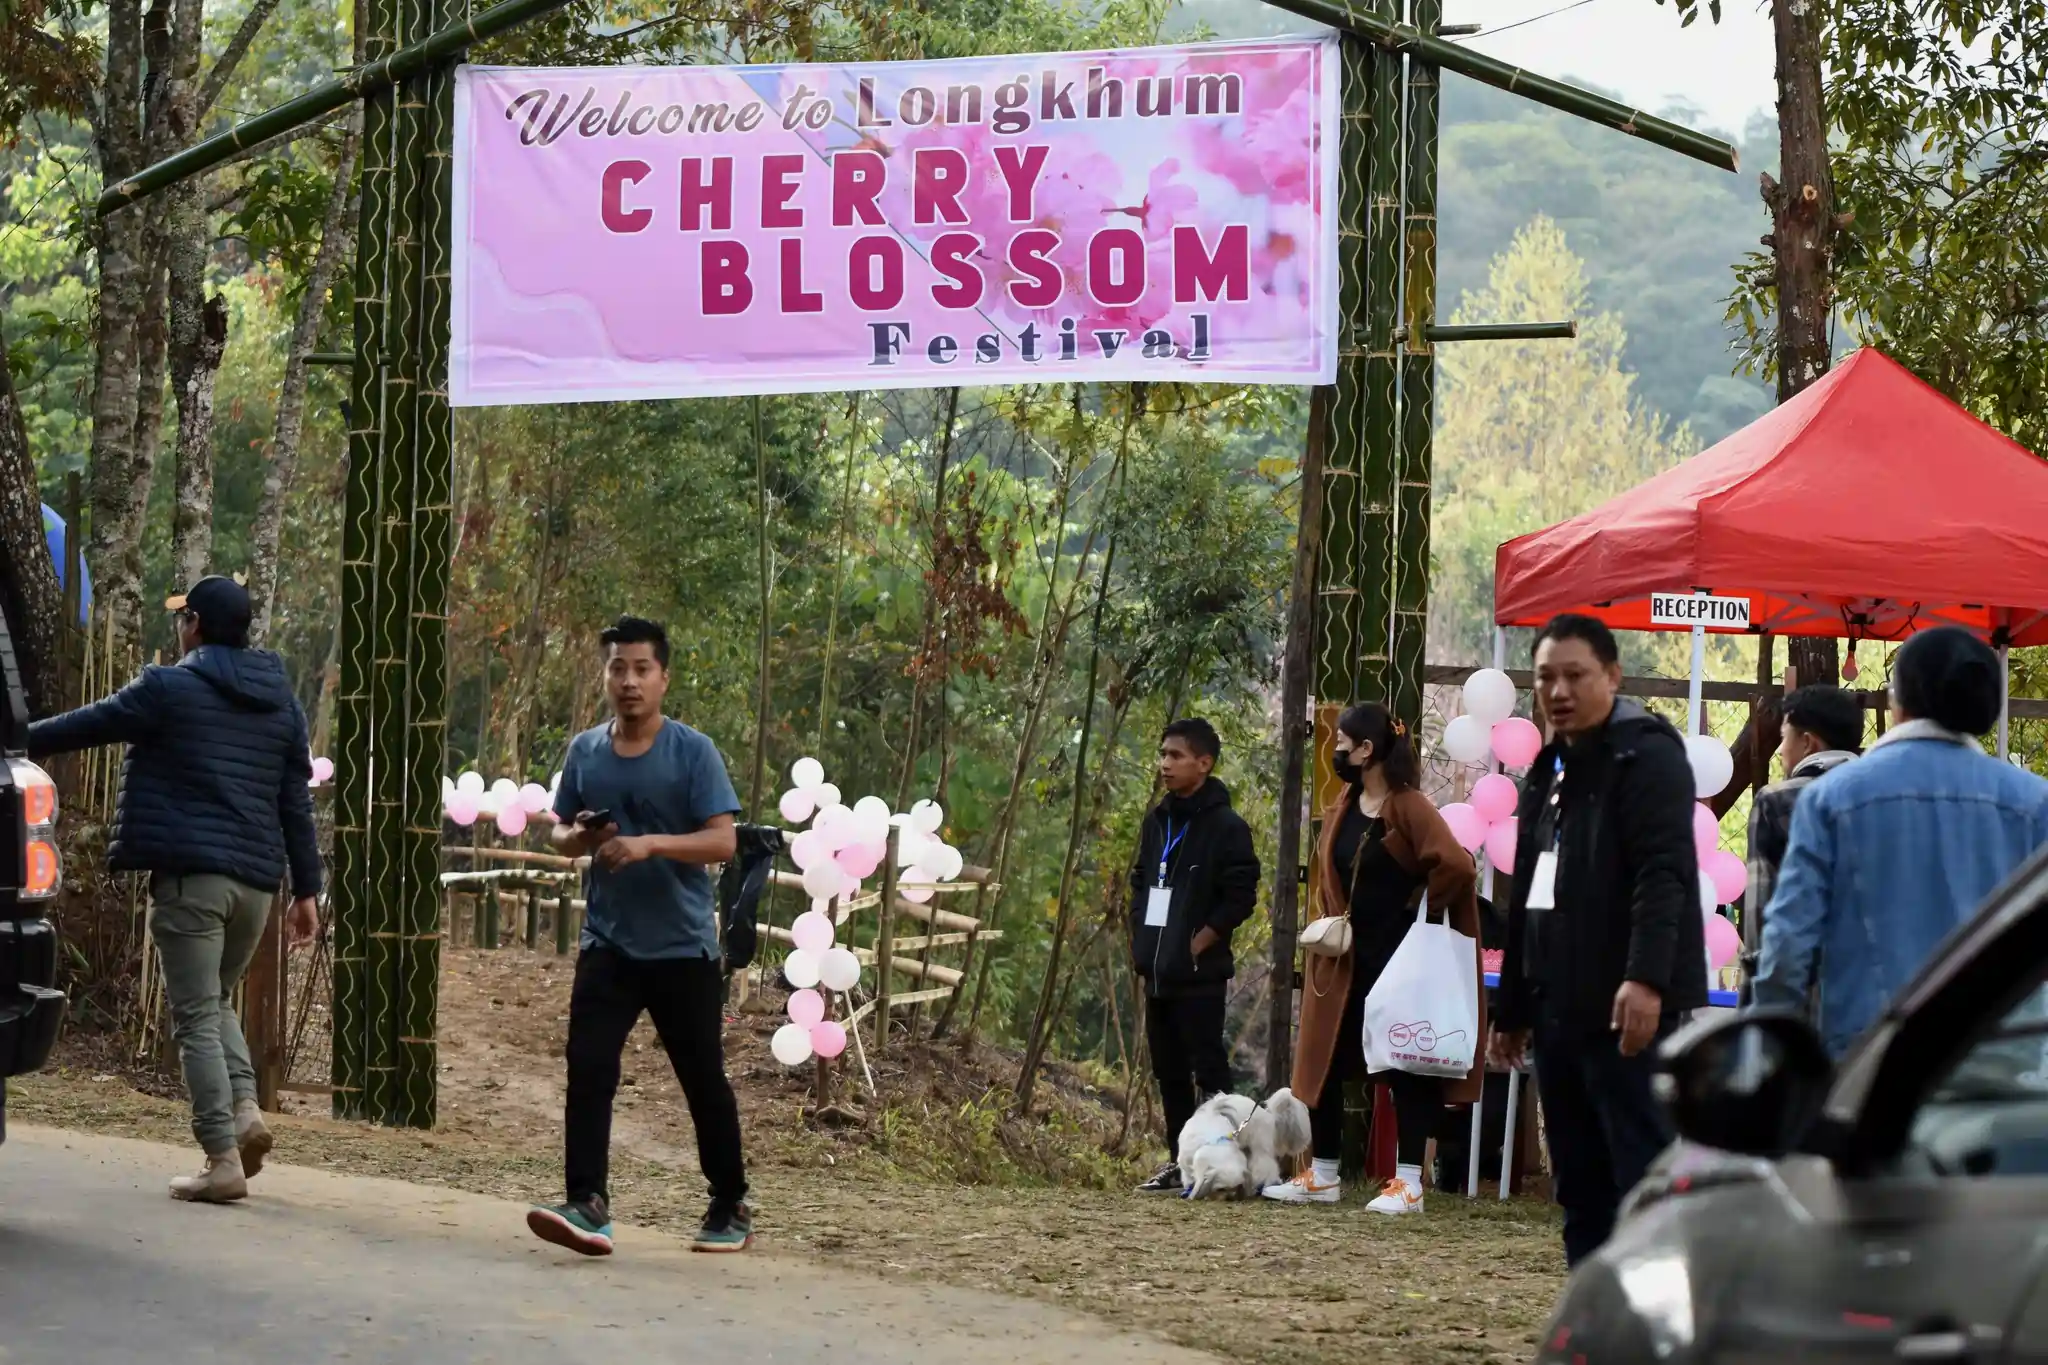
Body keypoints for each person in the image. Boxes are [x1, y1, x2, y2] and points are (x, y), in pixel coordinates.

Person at [29, 576, 321, 1203]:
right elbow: (294, 800)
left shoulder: (170, 688)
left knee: (192, 1014)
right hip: (257, 888)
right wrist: (307, 891)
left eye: (181, 618)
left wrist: (15, 738)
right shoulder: (282, 701)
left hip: (192, 882)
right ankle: (245, 1112)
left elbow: (88, 725)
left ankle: (220, 1158)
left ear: (194, 625)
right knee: (214, 1000)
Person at [527, 616, 752, 1255]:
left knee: (701, 1076)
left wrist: (650, 843)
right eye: (617, 668)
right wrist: (584, 838)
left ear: (663, 678)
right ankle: (587, 1202)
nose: (628, 681)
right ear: (605, 676)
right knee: (589, 1067)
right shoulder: (585, 752)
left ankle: (729, 1200)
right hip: (609, 942)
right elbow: (561, 831)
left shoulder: (693, 751)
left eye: (641, 669)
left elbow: (723, 838)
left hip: (681, 949)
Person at [1492, 614, 1705, 1267]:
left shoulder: (1645, 754)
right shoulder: (1552, 765)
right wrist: (1512, 1009)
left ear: (1612, 676)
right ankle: (1593, 1318)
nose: (1558, 690)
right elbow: (1529, 885)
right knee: (1579, 1183)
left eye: (1575, 675)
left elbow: (1663, 874)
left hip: (1627, 1010)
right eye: (1545, 678)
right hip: (1559, 1007)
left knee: (1640, 1177)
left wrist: (1646, 979)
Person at [1756, 627, 2048, 1056]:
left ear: (1899, 703)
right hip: (2001, 1064)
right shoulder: (2034, 803)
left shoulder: (1832, 800)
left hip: (1869, 1063)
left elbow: (1788, 945)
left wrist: (1767, 1050)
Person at [1262, 702, 1485, 1214]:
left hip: (1401, 959)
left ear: (1367, 750)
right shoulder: (1345, 801)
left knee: (1407, 1063)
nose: (1335, 751)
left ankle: (1409, 1183)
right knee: (1328, 1057)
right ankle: (1323, 1175)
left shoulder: (1409, 807)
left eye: (1342, 744)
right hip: (1345, 958)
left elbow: (1456, 866)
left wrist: (1416, 906)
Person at [1128, 717, 1261, 1194]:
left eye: (1176, 756)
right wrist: (1140, 938)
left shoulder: (1226, 827)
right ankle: (1180, 1165)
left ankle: (1231, 1166)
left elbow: (1242, 892)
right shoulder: (1158, 820)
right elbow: (1142, 879)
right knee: (1168, 1073)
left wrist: (1205, 937)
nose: (1165, 764)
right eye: (1163, 754)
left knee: (1209, 1070)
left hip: (1199, 972)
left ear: (1204, 764)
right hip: (1158, 970)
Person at [1740, 684, 1862, 1002]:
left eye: (1784, 737)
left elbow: (1759, 917)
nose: (1780, 749)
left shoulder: (1776, 800)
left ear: (1807, 742)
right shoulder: (1878, 798)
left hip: (1796, 995)